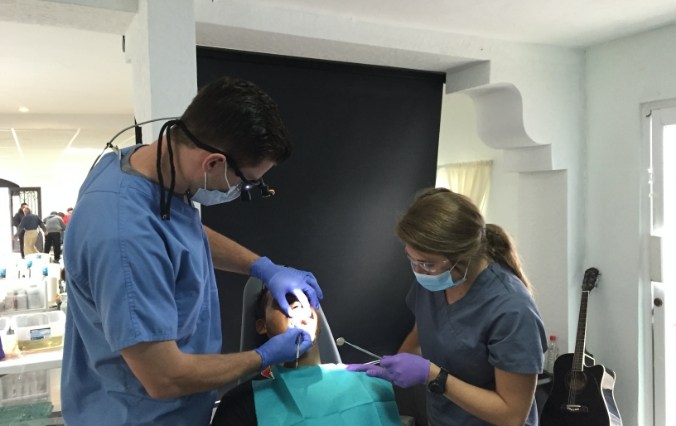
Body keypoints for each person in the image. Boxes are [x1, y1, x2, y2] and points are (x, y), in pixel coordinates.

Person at [62, 76, 323, 426]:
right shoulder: (122, 236)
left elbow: (181, 233)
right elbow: (164, 377)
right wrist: (263, 356)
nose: (244, 190)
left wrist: (262, 267)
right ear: (213, 163)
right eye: (247, 182)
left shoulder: (142, 168)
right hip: (139, 416)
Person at [348, 188, 547, 426]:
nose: (418, 271)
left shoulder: (512, 309)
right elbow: (424, 330)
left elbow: (512, 415)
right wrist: (396, 366)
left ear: (463, 257)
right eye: (412, 260)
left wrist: (434, 376)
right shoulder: (432, 282)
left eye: (426, 264)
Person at [212, 288, 401, 426]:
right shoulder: (242, 403)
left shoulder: (368, 384)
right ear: (262, 325)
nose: (298, 306)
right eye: (283, 301)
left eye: (305, 300)